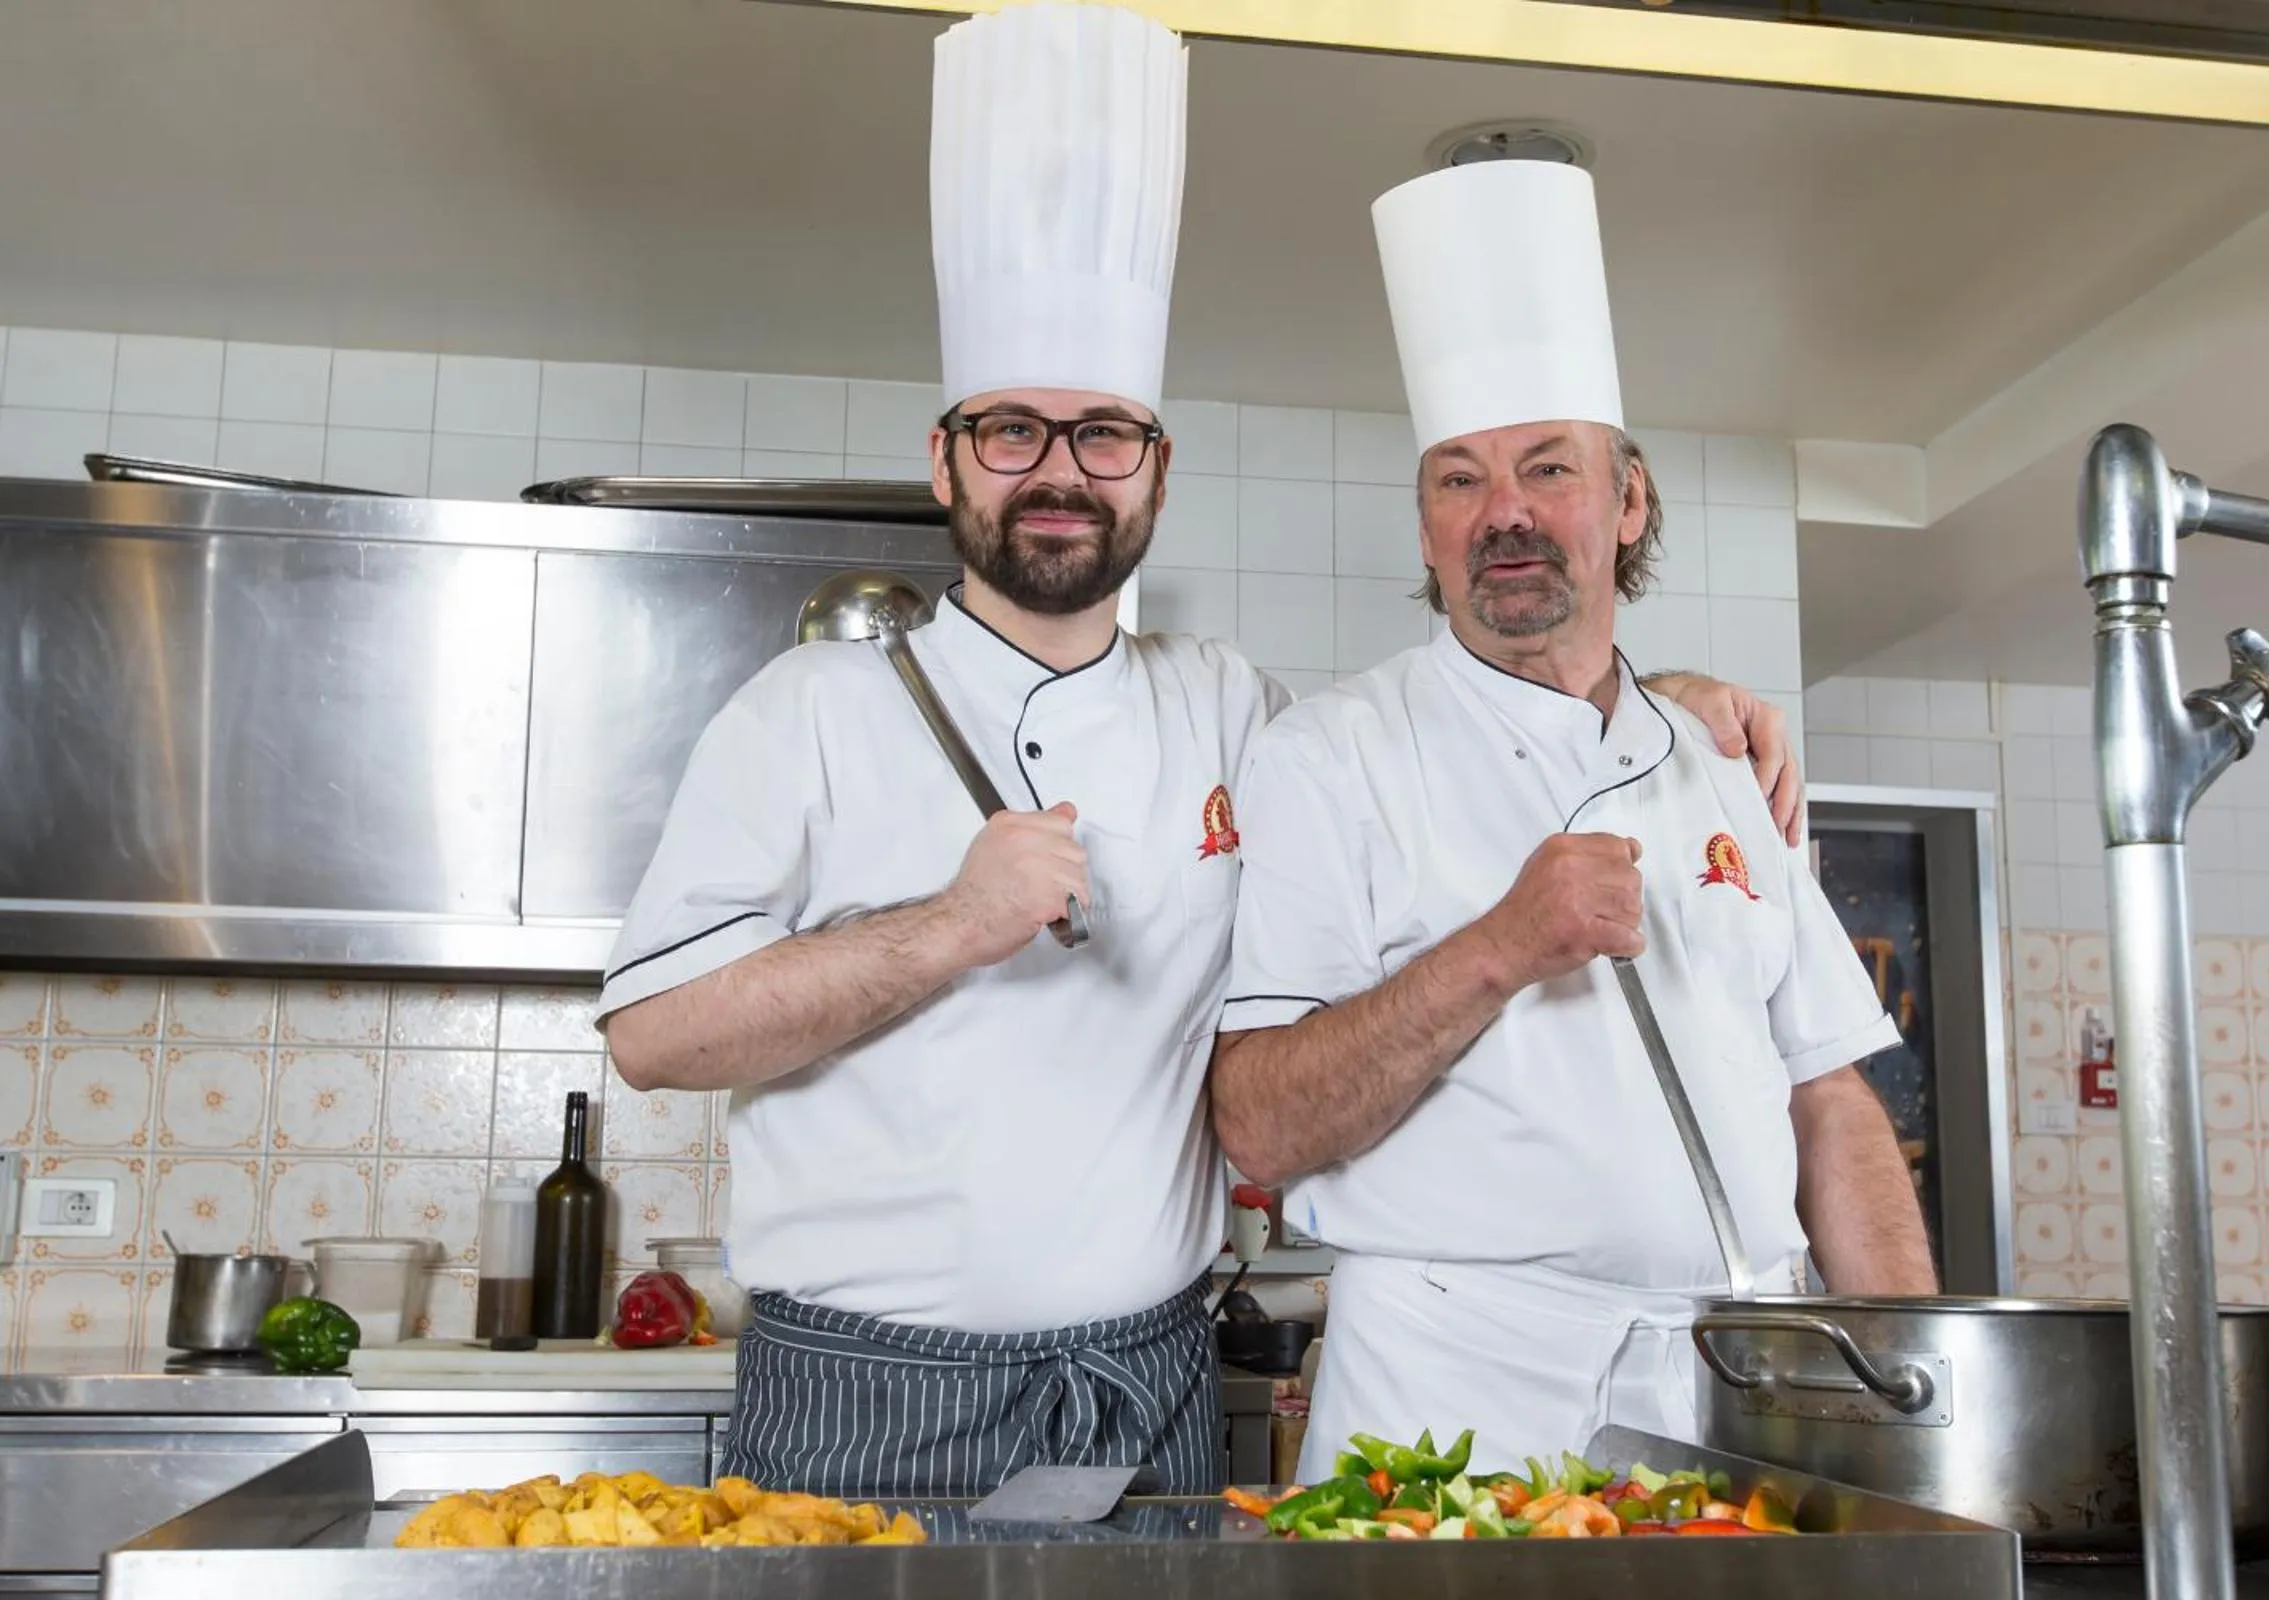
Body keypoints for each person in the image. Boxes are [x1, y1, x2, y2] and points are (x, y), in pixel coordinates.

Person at [600, 3, 1796, 1498]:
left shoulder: (1231, 707)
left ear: (1156, 468)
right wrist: (949, 928)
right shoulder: (808, 713)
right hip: (864, 1389)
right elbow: (652, 1036)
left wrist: (1647, 697)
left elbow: (1459, 727)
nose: (1058, 474)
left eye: (1103, 434)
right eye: (1010, 433)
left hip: (1148, 1378)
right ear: (944, 460)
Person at [1208, 157, 1938, 1481]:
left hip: (1739, 1400)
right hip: (1451, 1409)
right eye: (1459, 479)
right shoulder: (1329, 757)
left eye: (1549, 467)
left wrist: (1909, 1390)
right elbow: (1258, 1125)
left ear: (1630, 501)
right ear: (1427, 528)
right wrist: (1497, 948)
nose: (1507, 514)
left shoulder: (1720, 763)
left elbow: (1830, 1099)